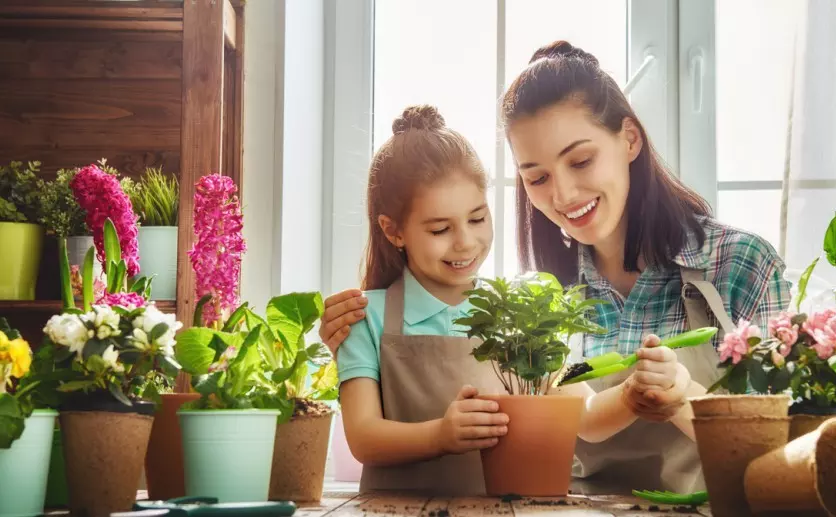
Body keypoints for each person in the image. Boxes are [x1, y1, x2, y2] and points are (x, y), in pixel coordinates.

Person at [325, 42, 791, 495]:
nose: (564, 194)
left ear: (630, 138)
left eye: (581, 160)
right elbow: (581, 419)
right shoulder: (541, 301)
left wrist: (683, 396)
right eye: (538, 177)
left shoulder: (739, 265)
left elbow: (780, 452)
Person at [335, 104, 692, 496]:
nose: (465, 242)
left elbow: (585, 418)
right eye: (440, 229)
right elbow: (364, 437)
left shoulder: (518, 315)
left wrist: (632, 393)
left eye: (477, 219)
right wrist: (440, 435)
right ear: (394, 230)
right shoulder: (365, 319)